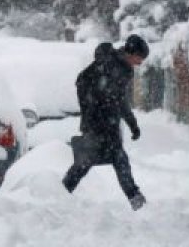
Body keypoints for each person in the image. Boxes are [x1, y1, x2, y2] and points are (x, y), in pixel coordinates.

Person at [62, 34, 149, 210]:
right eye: (139, 58)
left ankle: (135, 198)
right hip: (98, 124)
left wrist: (132, 124)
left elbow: (120, 100)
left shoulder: (123, 68)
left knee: (110, 159)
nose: (140, 63)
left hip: (107, 124)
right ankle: (61, 192)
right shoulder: (111, 65)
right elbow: (102, 94)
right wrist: (99, 114)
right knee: (87, 162)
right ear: (131, 53)